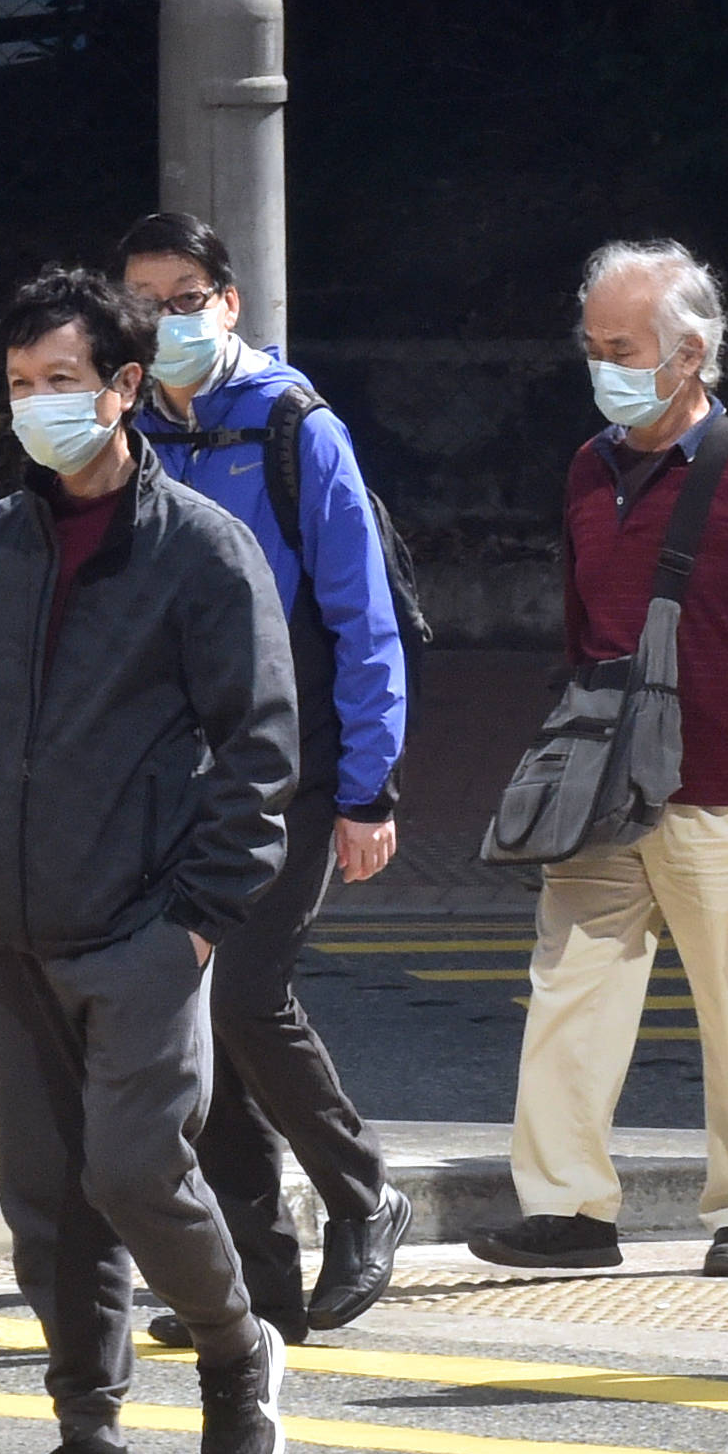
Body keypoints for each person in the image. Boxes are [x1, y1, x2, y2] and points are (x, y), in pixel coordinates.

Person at [0, 265, 295, 1454]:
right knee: (45, 1205)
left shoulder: (202, 555)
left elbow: (262, 752)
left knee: (131, 1169)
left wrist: (196, 917)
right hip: (14, 929)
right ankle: (90, 1449)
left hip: (143, 930)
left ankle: (232, 1351)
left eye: (61, 381)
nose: (37, 406)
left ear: (124, 388)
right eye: (18, 386)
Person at [472, 240, 728, 1279]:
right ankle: (568, 1213)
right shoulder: (589, 467)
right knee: (570, 989)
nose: (602, 366)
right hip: (601, 786)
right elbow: (582, 631)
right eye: (593, 347)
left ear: (691, 352)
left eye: (622, 347)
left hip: (727, 785)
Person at [116, 212, 415, 1348]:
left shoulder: (293, 429)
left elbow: (361, 615)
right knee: (198, 1017)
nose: (167, 317)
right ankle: (252, 1280)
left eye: (186, 294)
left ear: (229, 302)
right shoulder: (129, 425)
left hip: (289, 764)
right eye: (144, 298)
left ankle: (360, 1193)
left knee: (244, 992)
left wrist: (368, 786)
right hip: (177, 774)